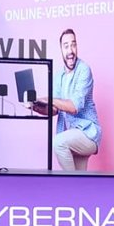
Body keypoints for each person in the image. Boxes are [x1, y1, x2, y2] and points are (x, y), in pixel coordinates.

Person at [31, 29, 101, 170]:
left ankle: (69, 181)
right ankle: (76, 183)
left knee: (59, 143)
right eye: (66, 46)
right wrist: (36, 106)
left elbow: (74, 106)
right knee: (80, 179)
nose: (70, 50)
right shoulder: (59, 76)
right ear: (61, 50)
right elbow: (54, 110)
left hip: (87, 132)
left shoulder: (84, 70)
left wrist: (48, 98)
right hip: (71, 133)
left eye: (73, 45)